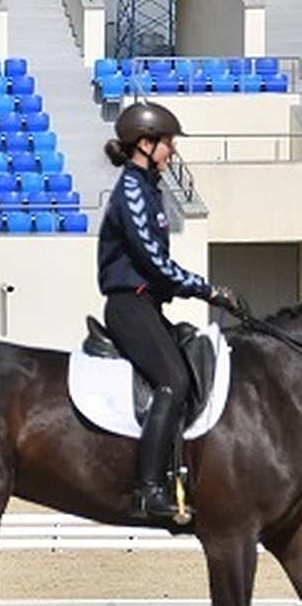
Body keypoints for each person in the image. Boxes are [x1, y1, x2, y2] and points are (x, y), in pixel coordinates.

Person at [97, 101, 245, 519]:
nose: (172, 151)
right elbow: (152, 262)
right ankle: (146, 489)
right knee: (173, 381)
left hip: (146, 304)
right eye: (167, 143)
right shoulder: (132, 191)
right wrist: (207, 289)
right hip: (130, 306)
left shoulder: (147, 188)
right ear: (144, 144)